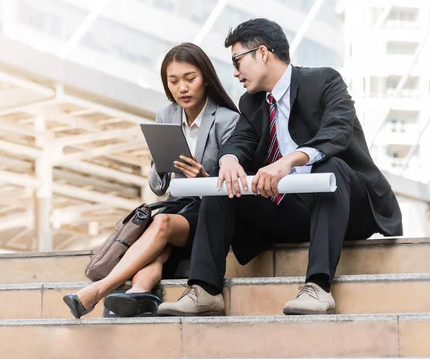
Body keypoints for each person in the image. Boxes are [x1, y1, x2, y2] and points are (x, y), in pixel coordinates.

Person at [157, 19, 403, 317]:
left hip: (349, 206)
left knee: (331, 167)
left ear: (262, 53)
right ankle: (205, 291)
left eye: (237, 61)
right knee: (223, 184)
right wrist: (229, 161)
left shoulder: (324, 81)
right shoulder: (250, 103)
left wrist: (287, 162)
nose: (235, 72)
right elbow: (239, 141)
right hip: (293, 212)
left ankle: (317, 287)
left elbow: (338, 131)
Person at [63, 43, 240, 318]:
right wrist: (161, 160)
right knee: (159, 245)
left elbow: (232, 184)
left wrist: (203, 178)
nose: (182, 88)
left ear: (205, 77)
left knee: (162, 224)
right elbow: (158, 186)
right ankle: (139, 293)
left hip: (209, 211)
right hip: (176, 205)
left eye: (190, 79)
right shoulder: (166, 115)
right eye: (173, 81)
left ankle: (98, 290)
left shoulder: (228, 120)